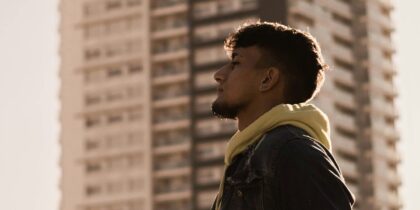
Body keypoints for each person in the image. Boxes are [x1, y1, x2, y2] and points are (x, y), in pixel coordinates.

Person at [210, 21, 355, 210]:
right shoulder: (246, 160)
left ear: (267, 79)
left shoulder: (294, 153)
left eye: (236, 63)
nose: (219, 74)